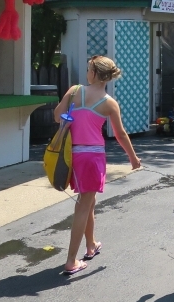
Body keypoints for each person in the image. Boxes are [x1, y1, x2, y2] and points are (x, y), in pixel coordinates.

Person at [53, 56, 141, 275]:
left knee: (88, 201)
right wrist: (133, 158)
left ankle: (90, 244)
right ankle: (71, 260)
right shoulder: (109, 102)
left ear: (93, 73)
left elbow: (57, 117)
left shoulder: (74, 91)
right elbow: (120, 134)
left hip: (73, 155)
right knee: (84, 204)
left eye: (88, 69)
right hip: (93, 157)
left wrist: (72, 116)